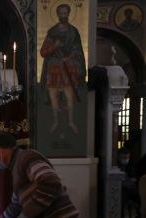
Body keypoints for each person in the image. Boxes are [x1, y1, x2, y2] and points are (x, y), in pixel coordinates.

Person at [40, 4, 86, 135]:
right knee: (54, 96)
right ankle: (56, 121)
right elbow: (43, 52)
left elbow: (78, 50)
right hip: (54, 68)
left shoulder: (74, 32)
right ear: (57, 14)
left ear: (69, 13)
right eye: (61, 13)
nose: (63, 15)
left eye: (65, 13)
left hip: (68, 67)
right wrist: (55, 46)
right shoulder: (52, 32)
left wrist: (69, 57)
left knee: (69, 96)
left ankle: (71, 121)